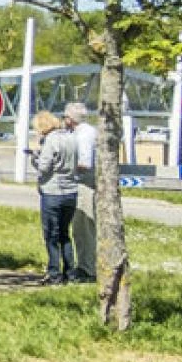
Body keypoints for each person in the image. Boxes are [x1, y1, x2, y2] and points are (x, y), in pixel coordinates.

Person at [32, 110, 79, 285]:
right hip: (71, 192)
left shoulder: (51, 140)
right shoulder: (71, 138)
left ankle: (54, 273)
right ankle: (70, 272)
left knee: (51, 235)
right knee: (65, 234)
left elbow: (44, 168)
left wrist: (35, 158)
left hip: (53, 192)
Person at [63, 102, 99, 281]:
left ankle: (87, 269)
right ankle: (88, 266)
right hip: (88, 184)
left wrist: (65, 168)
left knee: (83, 227)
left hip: (85, 185)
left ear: (70, 119)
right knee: (84, 227)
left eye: (65, 117)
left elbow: (85, 163)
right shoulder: (88, 131)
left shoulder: (84, 135)